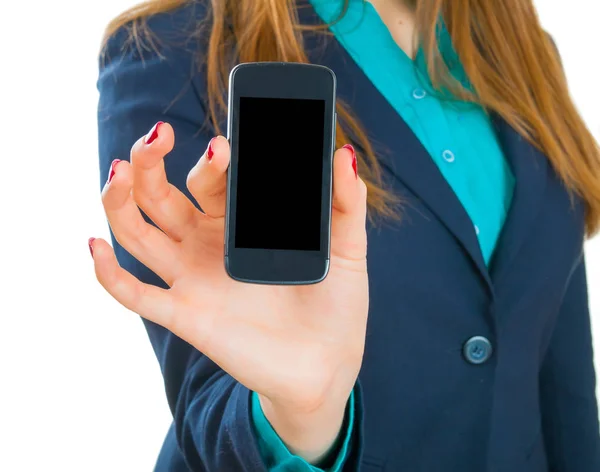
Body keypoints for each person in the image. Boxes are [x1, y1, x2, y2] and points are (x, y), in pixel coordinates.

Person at [92, 0, 600, 470]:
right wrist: (301, 414)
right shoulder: (172, 49)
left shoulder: (523, 46)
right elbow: (208, 409)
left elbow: (564, 383)